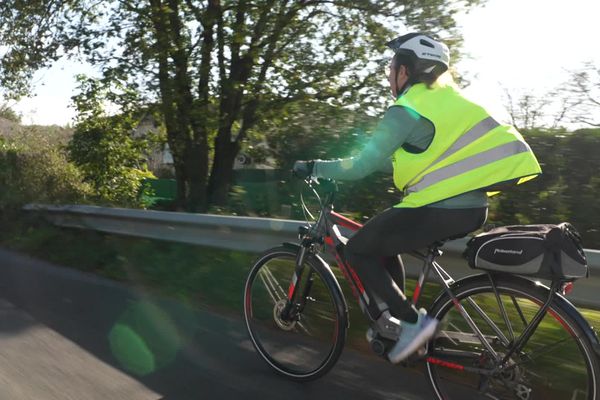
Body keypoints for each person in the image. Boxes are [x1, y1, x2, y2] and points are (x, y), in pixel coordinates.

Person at [293, 32, 542, 363]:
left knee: (357, 250)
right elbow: (399, 162)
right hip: (471, 208)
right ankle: (395, 322)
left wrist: (314, 167)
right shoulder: (449, 103)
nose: (389, 76)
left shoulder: (407, 109)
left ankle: (412, 324)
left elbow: (361, 166)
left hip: (438, 208)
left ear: (405, 71)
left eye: (391, 68)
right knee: (382, 242)